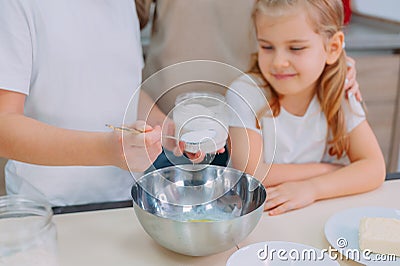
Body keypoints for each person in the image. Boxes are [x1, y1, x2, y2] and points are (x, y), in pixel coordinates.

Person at [136, 0, 361, 169]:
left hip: (251, 122)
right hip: (167, 125)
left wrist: (330, 61)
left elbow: (303, 16)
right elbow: (121, 22)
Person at [226, 0, 386, 216]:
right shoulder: (245, 92)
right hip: (255, 216)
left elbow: (375, 168)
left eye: (296, 48)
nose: (279, 61)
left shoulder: (339, 93)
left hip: (311, 213)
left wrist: (312, 188)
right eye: (267, 47)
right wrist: (329, 171)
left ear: (333, 48)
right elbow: (252, 172)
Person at [0, 0, 165, 207]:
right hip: (46, 209)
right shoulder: (15, 5)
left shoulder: (125, 4)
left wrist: (165, 127)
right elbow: (4, 126)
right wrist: (106, 150)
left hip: (126, 202)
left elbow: (123, 87)